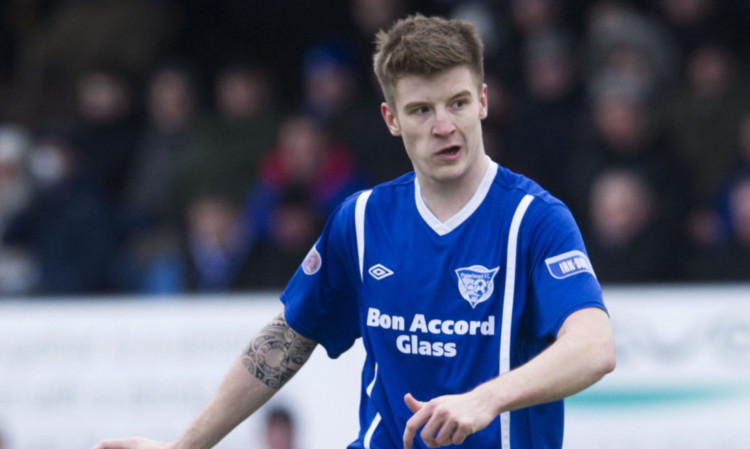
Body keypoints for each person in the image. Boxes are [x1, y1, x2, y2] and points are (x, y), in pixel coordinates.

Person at [91, 14, 615, 449]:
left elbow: (594, 347)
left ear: (481, 101)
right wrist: (185, 447)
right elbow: (288, 338)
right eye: (421, 110)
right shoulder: (361, 221)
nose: (443, 126)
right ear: (391, 118)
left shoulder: (535, 219)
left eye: (456, 103)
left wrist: (487, 398)